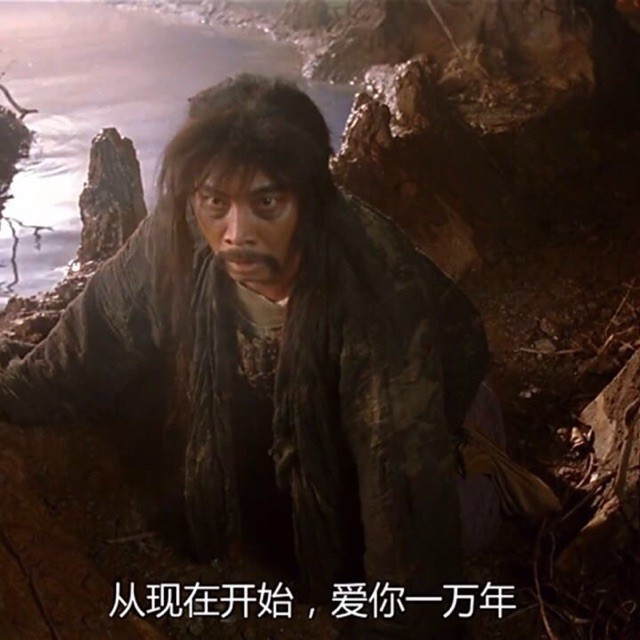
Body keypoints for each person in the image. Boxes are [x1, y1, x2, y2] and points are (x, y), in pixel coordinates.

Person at [0, 74, 554, 638]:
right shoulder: (183, 227)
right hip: (303, 416)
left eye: (266, 201)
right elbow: (92, 339)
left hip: (428, 421)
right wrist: (13, 390)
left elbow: (405, 515)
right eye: (217, 202)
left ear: (309, 201)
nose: (236, 233)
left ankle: (487, 451)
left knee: (405, 533)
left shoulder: (375, 297)